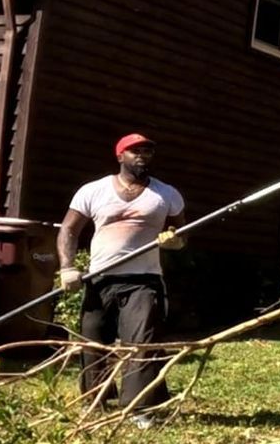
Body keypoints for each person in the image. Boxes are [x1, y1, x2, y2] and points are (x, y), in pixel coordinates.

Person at [58, 133, 185, 426]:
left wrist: (174, 242)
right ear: (119, 156)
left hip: (144, 279)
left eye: (147, 151)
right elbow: (69, 230)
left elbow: (182, 234)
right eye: (134, 151)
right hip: (100, 277)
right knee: (93, 342)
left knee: (141, 342)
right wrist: (67, 267)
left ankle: (138, 408)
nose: (142, 155)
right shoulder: (94, 190)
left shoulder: (166, 194)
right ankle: (95, 401)